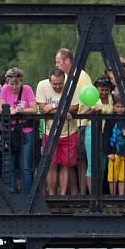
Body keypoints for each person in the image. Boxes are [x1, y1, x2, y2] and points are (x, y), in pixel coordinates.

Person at [36, 67, 80, 195]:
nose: (57, 86)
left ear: (64, 80)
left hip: (69, 131)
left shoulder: (71, 86)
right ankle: (52, 195)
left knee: (65, 166)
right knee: (51, 165)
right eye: (54, 84)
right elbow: (43, 109)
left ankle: (62, 196)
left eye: (60, 84)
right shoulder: (42, 85)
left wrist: (54, 108)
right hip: (50, 132)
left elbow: (75, 108)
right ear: (50, 81)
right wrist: (62, 110)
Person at [55, 47, 92, 194]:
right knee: (70, 161)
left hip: (81, 123)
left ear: (67, 61)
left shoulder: (80, 75)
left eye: (58, 62)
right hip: (71, 126)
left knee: (81, 160)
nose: (56, 65)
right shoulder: (66, 77)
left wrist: (78, 112)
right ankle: (75, 193)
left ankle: (81, 194)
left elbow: (88, 97)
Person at [0, 66, 37, 195]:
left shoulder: (27, 89)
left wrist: (21, 110)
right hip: (11, 132)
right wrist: (12, 111)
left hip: (26, 131)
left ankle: (26, 195)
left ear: (21, 80)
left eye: (17, 83)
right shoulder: (4, 90)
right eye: (11, 84)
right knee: (11, 165)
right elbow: (0, 108)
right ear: (8, 82)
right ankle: (11, 194)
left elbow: (34, 109)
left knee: (26, 166)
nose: (14, 87)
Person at [83, 75, 114, 194]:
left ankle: (99, 194)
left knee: (102, 165)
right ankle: (92, 195)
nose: (104, 92)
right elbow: (83, 114)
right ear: (97, 89)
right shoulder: (93, 98)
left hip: (106, 134)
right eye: (101, 89)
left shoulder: (112, 99)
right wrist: (93, 111)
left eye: (106, 89)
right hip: (93, 131)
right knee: (92, 165)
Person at [104, 95, 125, 196]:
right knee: (112, 177)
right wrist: (109, 152)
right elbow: (106, 136)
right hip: (114, 152)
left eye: (122, 107)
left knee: (123, 177)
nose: (120, 109)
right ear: (114, 106)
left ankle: (121, 196)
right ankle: (112, 197)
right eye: (118, 106)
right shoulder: (110, 119)